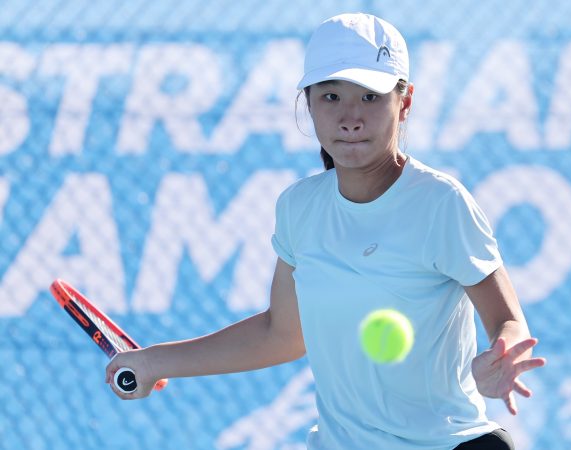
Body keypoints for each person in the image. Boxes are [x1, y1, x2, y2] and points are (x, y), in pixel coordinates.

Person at [106, 13, 546, 450]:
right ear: (308, 103)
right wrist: (153, 361)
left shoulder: (442, 204)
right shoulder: (299, 208)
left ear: (405, 102)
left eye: (371, 98)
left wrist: (502, 356)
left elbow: (507, 320)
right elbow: (281, 333)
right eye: (332, 96)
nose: (350, 117)